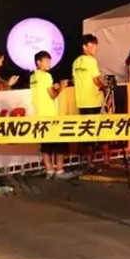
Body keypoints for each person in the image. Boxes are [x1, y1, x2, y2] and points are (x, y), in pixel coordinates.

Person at [30, 51, 74, 179]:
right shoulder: (46, 76)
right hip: (50, 115)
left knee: (46, 145)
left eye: (49, 61)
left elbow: (44, 91)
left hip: (39, 115)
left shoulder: (33, 77)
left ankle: (49, 170)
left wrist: (54, 87)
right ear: (38, 62)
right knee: (59, 143)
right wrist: (61, 87)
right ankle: (59, 170)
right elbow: (52, 95)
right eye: (46, 61)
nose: (49, 63)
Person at [72, 34, 110, 171]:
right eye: (92, 45)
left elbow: (76, 80)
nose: (94, 48)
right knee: (102, 131)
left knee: (87, 132)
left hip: (82, 102)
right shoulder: (91, 61)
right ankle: (106, 162)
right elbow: (96, 80)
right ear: (84, 46)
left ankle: (89, 162)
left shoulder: (76, 62)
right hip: (95, 101)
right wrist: (105, 88)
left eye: (95, 46)